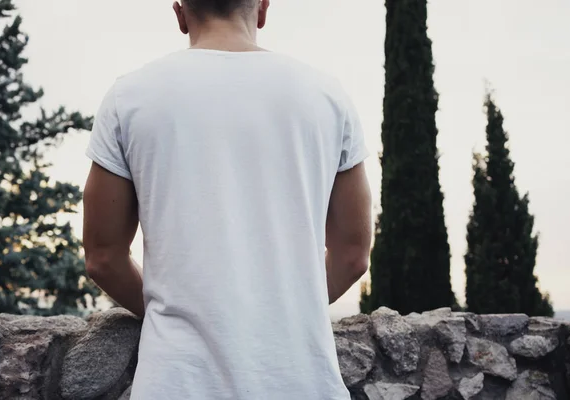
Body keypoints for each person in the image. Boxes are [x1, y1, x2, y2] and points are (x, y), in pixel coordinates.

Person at [82, 0, 372, 398]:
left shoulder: (128, 97)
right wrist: (283, 312)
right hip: (302, 383)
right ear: (263, 9)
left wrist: (182, 312)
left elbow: (102, 256)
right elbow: (353, 254)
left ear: (180, 15)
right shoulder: (328, 96)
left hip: (176, 382)